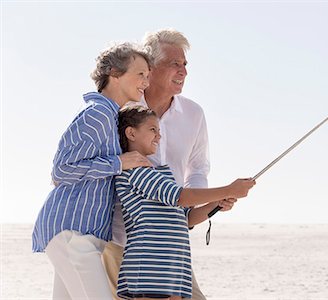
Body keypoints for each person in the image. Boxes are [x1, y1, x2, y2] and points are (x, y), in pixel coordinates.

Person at [32, 42, 153, 299]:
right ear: (115, 73)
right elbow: (61, 171)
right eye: (140, 73)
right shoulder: (97, 114)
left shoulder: (110, 118)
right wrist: (119, 162)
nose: (146, 81)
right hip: (72, 233)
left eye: (148, 76)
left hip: (82, 235)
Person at [102, 29, 217, 300]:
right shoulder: (120, 111)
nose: (183, 71)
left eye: (185, 65)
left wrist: (199, 206)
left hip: (171, 245)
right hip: (121, 240)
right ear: (149, 69)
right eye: (174, 64)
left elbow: (198, 168)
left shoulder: (193, 114)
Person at [115, 106, 255, 299]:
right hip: (151, 266)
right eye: (152, 130)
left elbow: (186, 218)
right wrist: (228, 190)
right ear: (131, 133)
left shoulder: (157, 173)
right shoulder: (135, 171)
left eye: (159, 131)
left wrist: (216, 203)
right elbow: (179, 196)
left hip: (173, 267)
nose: (159, 136)